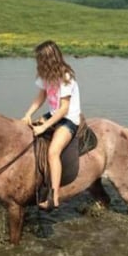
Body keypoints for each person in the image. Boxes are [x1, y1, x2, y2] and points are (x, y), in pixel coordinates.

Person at [21, 40, 81, 210]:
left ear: (48, 58)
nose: (37, 63)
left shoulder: (65, 76)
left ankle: (53, 196)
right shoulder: (45, 75)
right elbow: (41, 97)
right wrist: (27, 115)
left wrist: (44, 126)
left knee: (53, 152)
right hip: (52, 115)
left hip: (68, 119)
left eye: (39, 59)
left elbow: (64, 109)